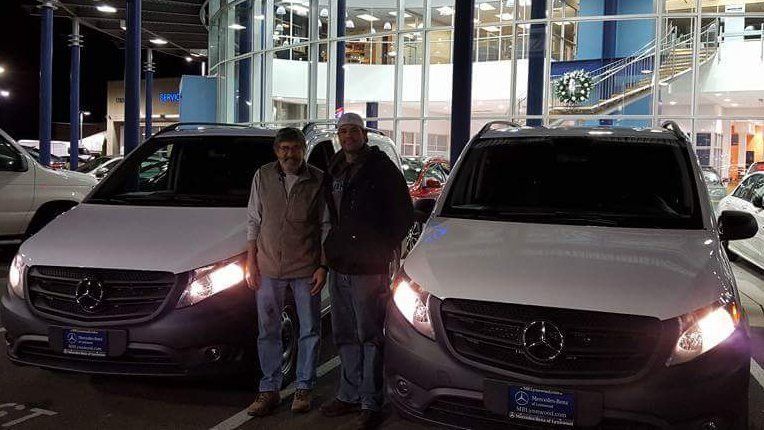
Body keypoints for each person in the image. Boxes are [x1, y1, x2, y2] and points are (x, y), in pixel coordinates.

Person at [319, 113, 414, 429]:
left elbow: (404, 215)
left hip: (368, 267)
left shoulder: (381, 169)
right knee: (344, 334)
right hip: (339, 264)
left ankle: (371, 401)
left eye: (354, 131)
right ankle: (348, 394)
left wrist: (382, 246)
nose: (348, 136)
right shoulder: (334, 169)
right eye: (343, 131)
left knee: (370, 334)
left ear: (364, 135)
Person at [245, 127, 328, 416]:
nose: (289, 154)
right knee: (268, 330)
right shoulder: (263, 176)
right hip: (268, 267)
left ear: (303, 150)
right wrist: (251, 261)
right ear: (276, 151)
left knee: (310, 329)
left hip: (306, 267)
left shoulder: (317, 178)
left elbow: (325, 225)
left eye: (294, 148)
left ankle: (304, 387)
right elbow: (254, 220)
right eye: (283, 149)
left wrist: (322, 264)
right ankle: (269, 389)